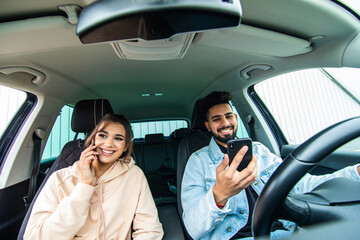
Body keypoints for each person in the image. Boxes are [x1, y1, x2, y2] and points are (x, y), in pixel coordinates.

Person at [181, 91, 360, 240]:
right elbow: (192, 227)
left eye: (228, 116)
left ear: (235, 118)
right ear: (208, 126)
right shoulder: (198, 162)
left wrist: (355, 172)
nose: (225, 123)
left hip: (285, 231)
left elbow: (300, 185)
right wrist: (219, 196)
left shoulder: (259, 151)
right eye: (217, 119)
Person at [24, 114, 164, 240]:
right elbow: (35, 237)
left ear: (126, 146)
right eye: (102, 135)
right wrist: (84, 188)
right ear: (92, 139)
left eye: (118, 138)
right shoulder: (60, 179)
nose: (108, 143)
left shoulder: (134, 175)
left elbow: (149, 229)